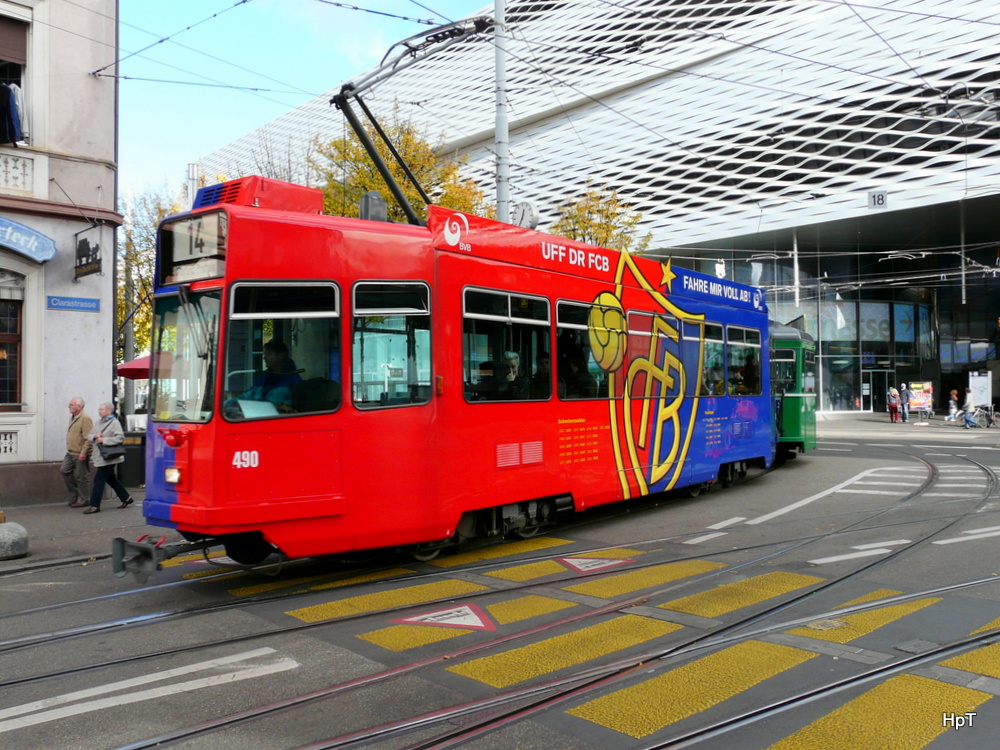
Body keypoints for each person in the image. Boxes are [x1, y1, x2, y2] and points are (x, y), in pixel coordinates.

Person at [85, 402, 133, 514]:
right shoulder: (98, 422)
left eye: (102, 409)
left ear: (109, 411)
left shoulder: (114, 423)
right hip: (100, 455)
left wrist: (105, 440)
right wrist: (95, 436)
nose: (99, 411)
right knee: (111, 479)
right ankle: (126, 498)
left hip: (109, 457)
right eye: (99, 409)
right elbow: (89, 436)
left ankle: (94, 505)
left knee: (99, 480)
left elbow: (120, 438)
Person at [239, 340, 302, 412]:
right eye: (264, 354)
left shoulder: (294, 379)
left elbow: (296, 405)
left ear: (280, 355)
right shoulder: (263, 378)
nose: (264, 357)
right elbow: (247, 396)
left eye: (269, 354)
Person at [62, 397, 93, 508]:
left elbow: (88, 437)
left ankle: (84, 499)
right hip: (70, 452)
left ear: (78, 407)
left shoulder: (85, 418)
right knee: (64, 470)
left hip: (80, 452)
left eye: (71, 405)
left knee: (82, 477)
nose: (68, 407)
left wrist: (84, 452)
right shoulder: (73, 417)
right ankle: (76, 494)